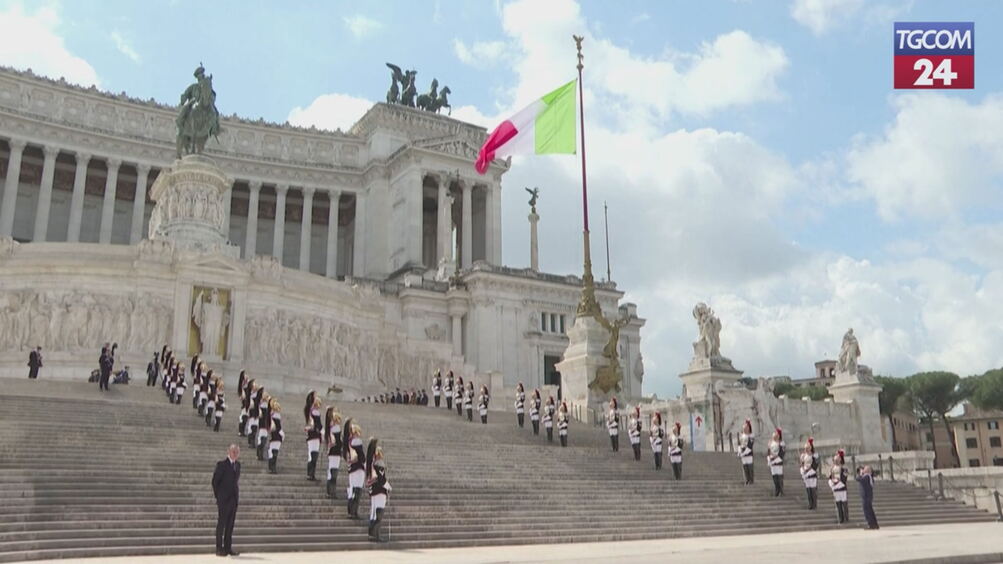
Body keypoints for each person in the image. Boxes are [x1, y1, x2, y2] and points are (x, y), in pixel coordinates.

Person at [211, 444, 241, 557]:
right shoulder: (222, 465)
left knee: (230, 525)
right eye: (233, 451)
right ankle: (219, 548)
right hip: (223, 500)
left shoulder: (238, 465)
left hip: (233, 500)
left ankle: (228, 548)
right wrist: (218, 497)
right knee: (221, 524)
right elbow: (215, 482)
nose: (235, 454)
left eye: (237, 452)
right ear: (228, 451)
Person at [366, 438, 391, 542]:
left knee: (373, 513)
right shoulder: (379, 464)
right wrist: (388, 487)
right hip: (380, 491)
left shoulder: (372, 465)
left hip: (374, 491)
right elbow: (382, 479)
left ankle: (371, 533)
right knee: (379, 512)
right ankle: (376, 535)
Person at [343, 420, 366, 519]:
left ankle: (350, 510)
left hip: (352, 468)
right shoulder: (357, 441)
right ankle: (354, 511)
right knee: (358, 489)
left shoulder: (349, 441)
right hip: (358, 467)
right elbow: (361, 455)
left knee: (352, 489)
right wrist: (365, 464)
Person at [325, 407, 343, 499]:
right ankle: (331, 491)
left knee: (332, 472)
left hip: (335, 452)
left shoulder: (333, 428)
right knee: (333, 472)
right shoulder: (334, 428)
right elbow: (336, 441)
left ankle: (331, 491)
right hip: (334, 452)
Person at [304, 391, 322, 481]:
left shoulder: (313, 411)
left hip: (315, 435)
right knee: (312, 455)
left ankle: (311, 473)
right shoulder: (313, 411)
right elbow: (318, 424)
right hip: (313, 435)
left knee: (314, 455)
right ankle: (310, 473)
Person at [829, 449, 849, 524]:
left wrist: (838, 482)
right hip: (836, 489)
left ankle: (846, 517)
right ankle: (841, 518)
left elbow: (844, 479)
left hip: (842, 488)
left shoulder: (844, 469)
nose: (836, 461)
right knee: (838, 505)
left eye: (837, 460)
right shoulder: (832, 469)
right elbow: (831, 477)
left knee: (844, 504)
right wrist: (832, 482)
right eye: (835, 460)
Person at [857, 465, 879, 529]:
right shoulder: (869, 477)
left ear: (867, 470)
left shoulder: (866, 476)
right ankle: (874, 524)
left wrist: (861, 474)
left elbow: (858, 479)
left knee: (867, 511)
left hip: (866, 496)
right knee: (870, 511)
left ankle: (871, 524)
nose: (863, 470)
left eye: (864, 469)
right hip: (868, 496)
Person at [800, 437, 819, 510]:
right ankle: (810, 504)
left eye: (807, 448)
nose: (806, 449)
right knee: (808, 490)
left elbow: (815, 464)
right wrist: (803, 470)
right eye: (805, 448)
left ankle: (814, 504)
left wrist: (809, 470)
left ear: (810, 448)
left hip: (812, 474)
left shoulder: (814, 455)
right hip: (805, 474)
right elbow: (802, 464)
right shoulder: (803, 456)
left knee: (813, 490)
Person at [767, 428, 786, 497]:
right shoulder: (770, 443)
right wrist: (769, 459)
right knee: (774, 477)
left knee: (779, 477)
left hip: (778, 462)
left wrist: (776, 458)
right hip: (772, 462)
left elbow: (782, 453)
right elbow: (769, 452)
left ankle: (781, 490)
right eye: (774, 434)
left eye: (777, 434)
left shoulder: (781, 443)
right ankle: (777, 490)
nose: (775, 435)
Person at [267, 399, 284, 474]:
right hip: (277, 436)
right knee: (275, 452)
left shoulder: (271, 415)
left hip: (273, 435)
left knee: (272, 451)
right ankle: (273, 467)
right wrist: (282, 434)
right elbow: (279, 427)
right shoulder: (276, 416)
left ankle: (271, 466)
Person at [738, 419, 754, 485]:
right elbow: (739, 444)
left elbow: (750, 446)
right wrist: (739, 452)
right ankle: (746, 480)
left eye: (747, 427)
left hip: (748, 454)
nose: (745, 428)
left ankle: (751, 480)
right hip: (742, 453)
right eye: (744, 427)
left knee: (750, 468)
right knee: (745, 468)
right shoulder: (741, 436)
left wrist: (744, 453)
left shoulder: (751, 436)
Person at [236, 370, 248, 437]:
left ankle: (242, 431)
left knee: (245, 418)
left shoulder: (247, 387)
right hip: (244, 405)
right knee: (243, 418)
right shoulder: (242, 388)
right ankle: (241, 431)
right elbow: (242, 397)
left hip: (247, 405)